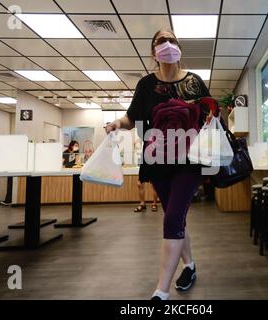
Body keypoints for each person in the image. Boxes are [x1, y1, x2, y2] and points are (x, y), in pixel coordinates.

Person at [106, 29, 216, 300]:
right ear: (153, 52)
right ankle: (189, 266)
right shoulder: (145, 85)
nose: (167, 45)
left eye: (172, 40)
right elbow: (132, 118)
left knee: (172, 217)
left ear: (179, 47)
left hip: (189, 160)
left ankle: (161, 291)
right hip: (157, 160)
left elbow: (210, 115)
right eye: (160, 41)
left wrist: (214, 117)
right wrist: (116, 124)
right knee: (174, 216)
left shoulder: (194, 81)